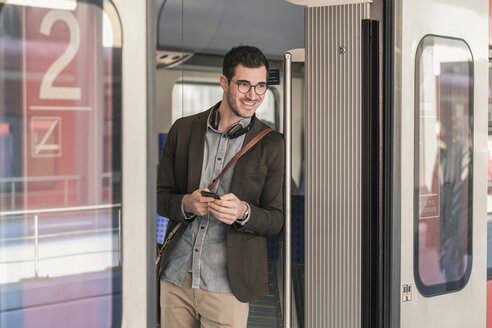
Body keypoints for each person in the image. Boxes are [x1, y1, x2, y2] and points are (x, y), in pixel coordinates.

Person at [156, 45, 284, 327]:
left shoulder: (272, 144)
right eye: (244, 85)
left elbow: (276, 220)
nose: (253, 95)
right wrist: (186, 204)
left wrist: (243, 212)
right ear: (224, 82)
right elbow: (158, 197)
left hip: (228, 286)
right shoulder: (184, 129)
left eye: (261, 86)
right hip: (176, 278)